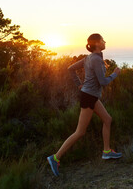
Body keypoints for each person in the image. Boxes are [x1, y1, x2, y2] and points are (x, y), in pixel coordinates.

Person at [47, 33, 122, 176]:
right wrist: (115, 74)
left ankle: (106, 151)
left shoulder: (89, 58)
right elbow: (103, 82)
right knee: (80, 132)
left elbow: (70, 69)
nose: (105, 42)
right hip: (89, 98)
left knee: (107, 119)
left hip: (90, 96)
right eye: (103, 40)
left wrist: (80, 85)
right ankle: (55, 158)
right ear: (98, 43)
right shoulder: (95, 60)